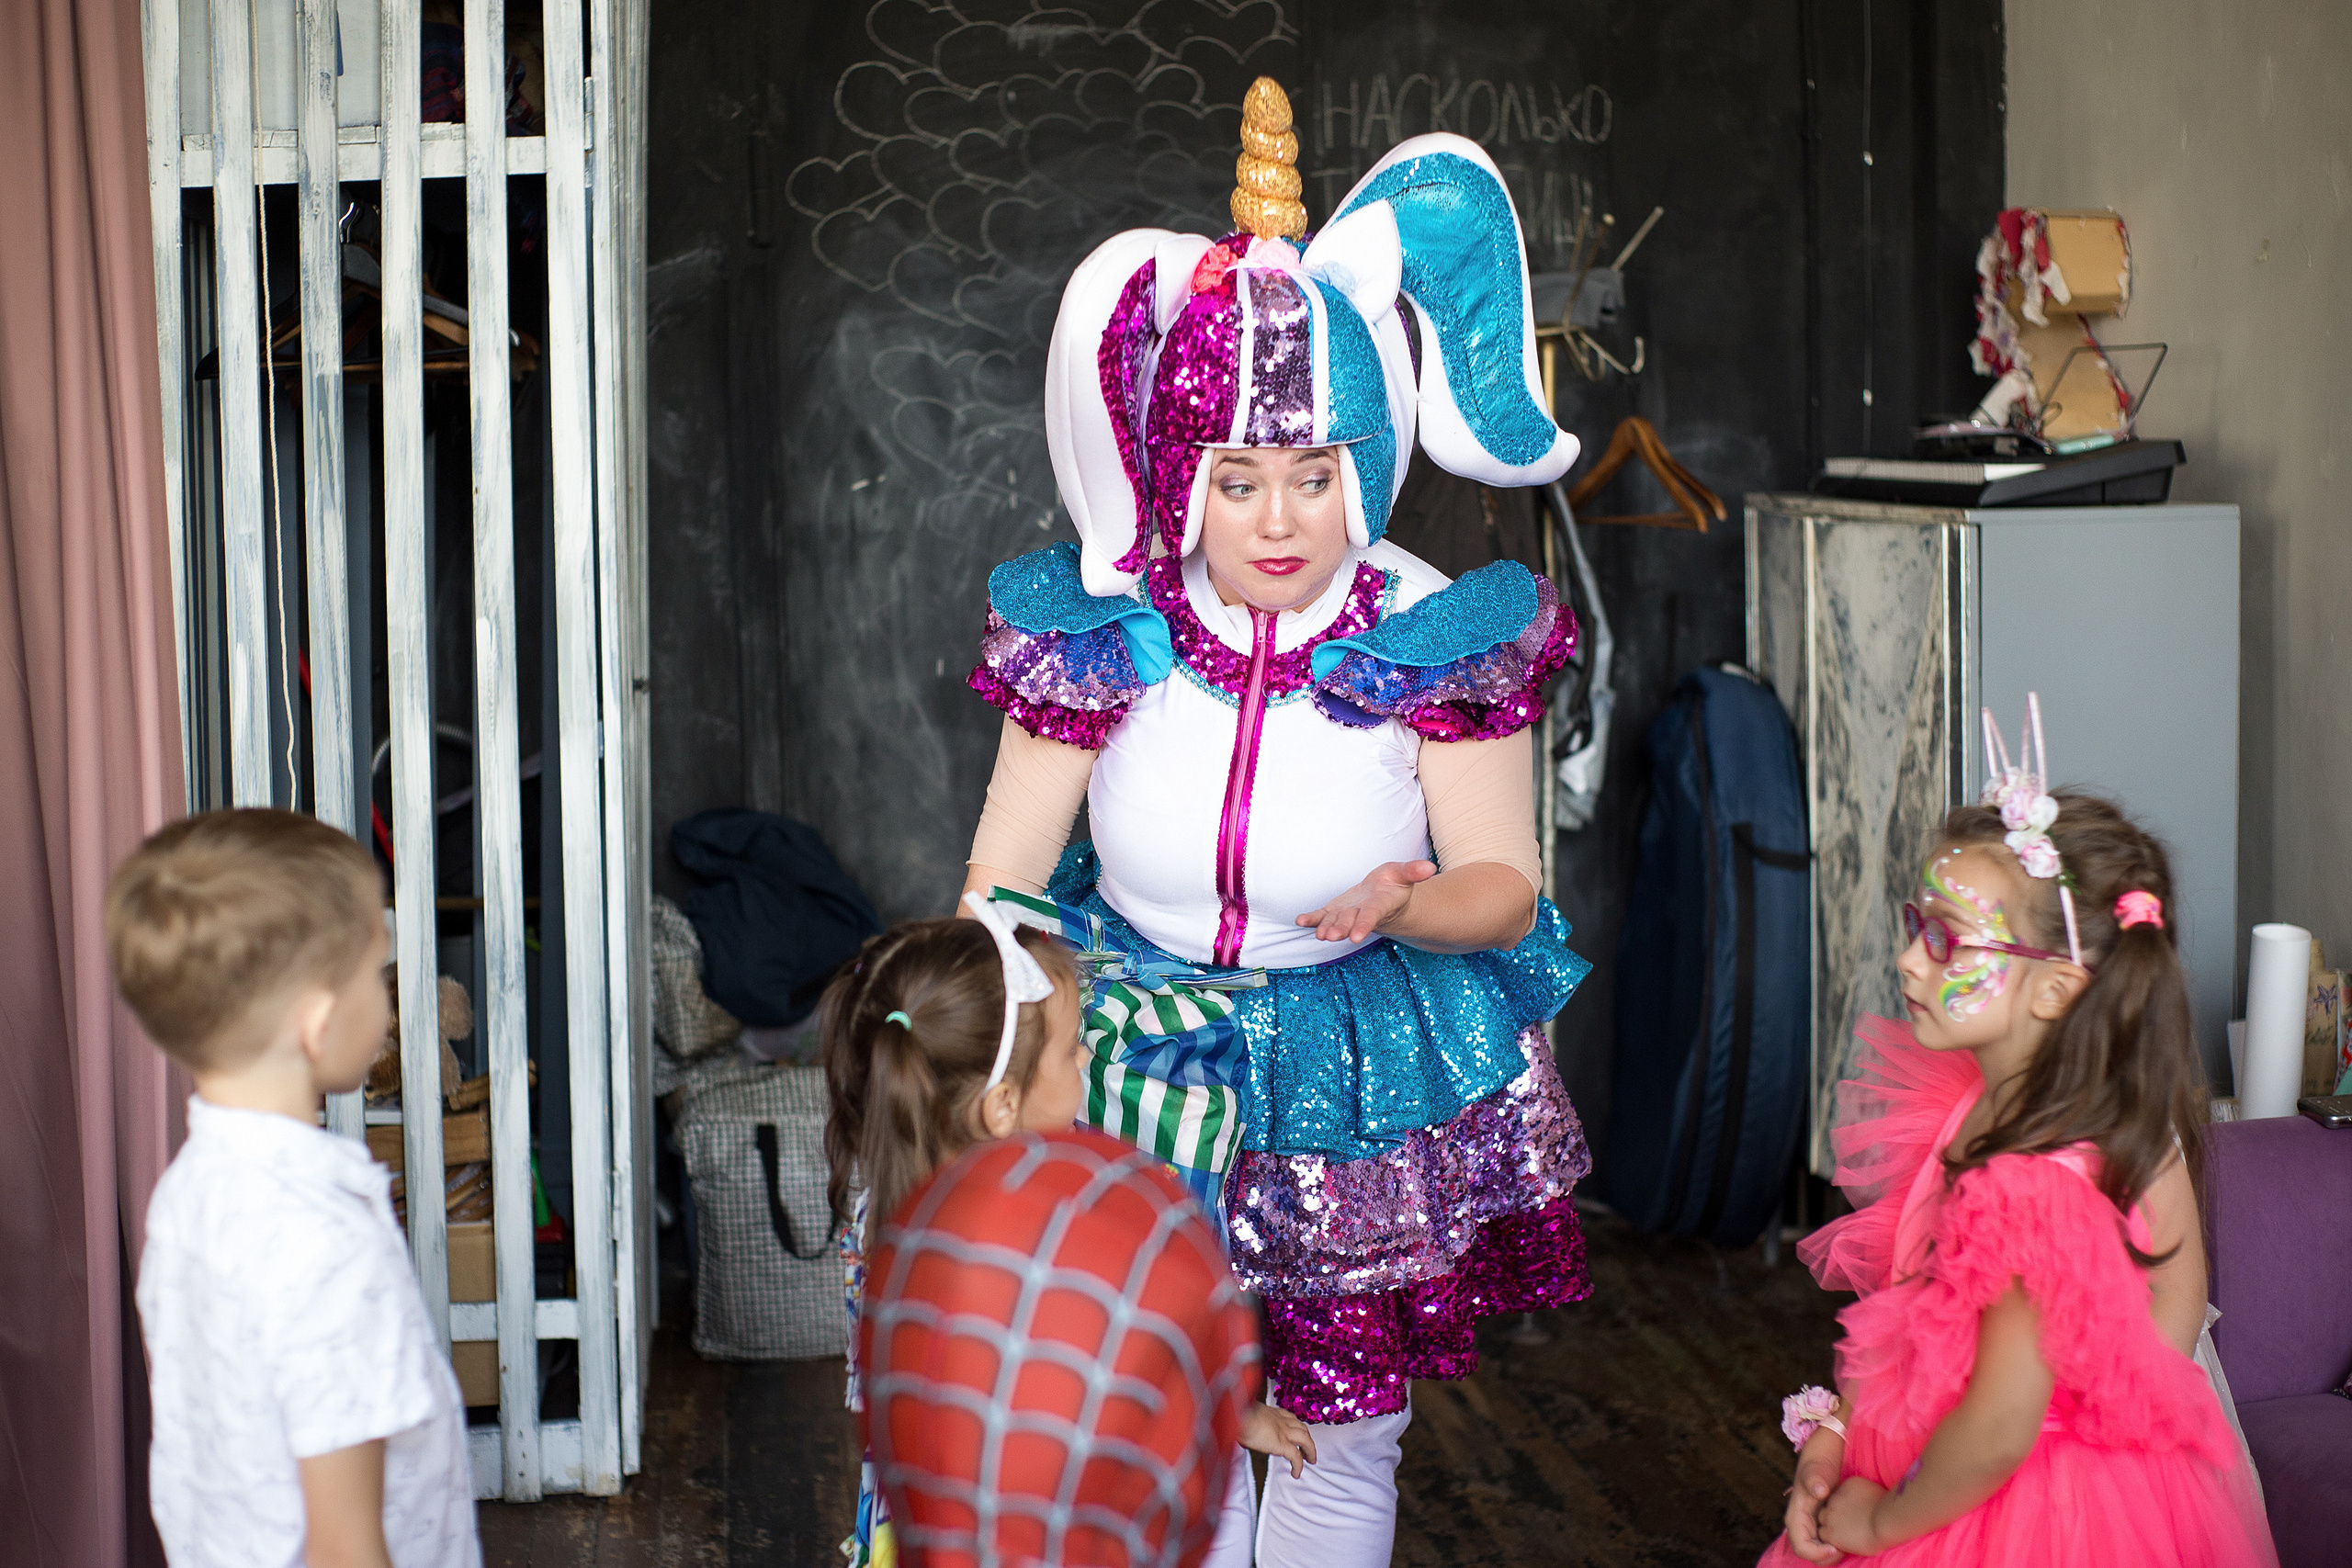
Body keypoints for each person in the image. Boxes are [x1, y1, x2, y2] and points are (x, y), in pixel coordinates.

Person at [961, 77, 1595, 1565]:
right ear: (1186, 470)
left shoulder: (1436, 630)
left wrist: (1410, 903)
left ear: (1366, 461)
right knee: (1145, 1410)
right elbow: (1000, 876)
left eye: (1316, 474)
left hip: (1350, 1059)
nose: (1279, 517)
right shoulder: (1102, 623)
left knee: (1338, 1426)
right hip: (1126, 1045)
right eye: (1239, 477)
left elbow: (1504, 885)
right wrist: (1010, 1057)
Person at [1768, 703, 2277, 1568]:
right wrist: (1843, 1428)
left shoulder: (2027, 1184)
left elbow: (2002, 1426)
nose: (1909, 960)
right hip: (1953, 1451)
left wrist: (1891, 1522)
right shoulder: (1989, 1107)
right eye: (1915, 924)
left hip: (2022, 1513)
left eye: (1947, 940)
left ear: (2053, 988)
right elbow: (1912, 1305)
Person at [823, 897, 1315, 1568]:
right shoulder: (1051, 1237)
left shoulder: (879, 1214)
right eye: (1068, 1046)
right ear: (1002, 1105)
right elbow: (1113, 1389)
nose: (1086, 1053)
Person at [108, 809, 479, 1568]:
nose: (387, 998)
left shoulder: (189, 1193)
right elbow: (345, 1547)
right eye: (377, 973)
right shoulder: (322, 1237)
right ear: (317, 1020)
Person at [860, 1128, 1262, 1568]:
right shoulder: (1085, 1230)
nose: (1083, 1066)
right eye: (1072, 1054)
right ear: (1003, 1105)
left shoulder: (913, 1235)